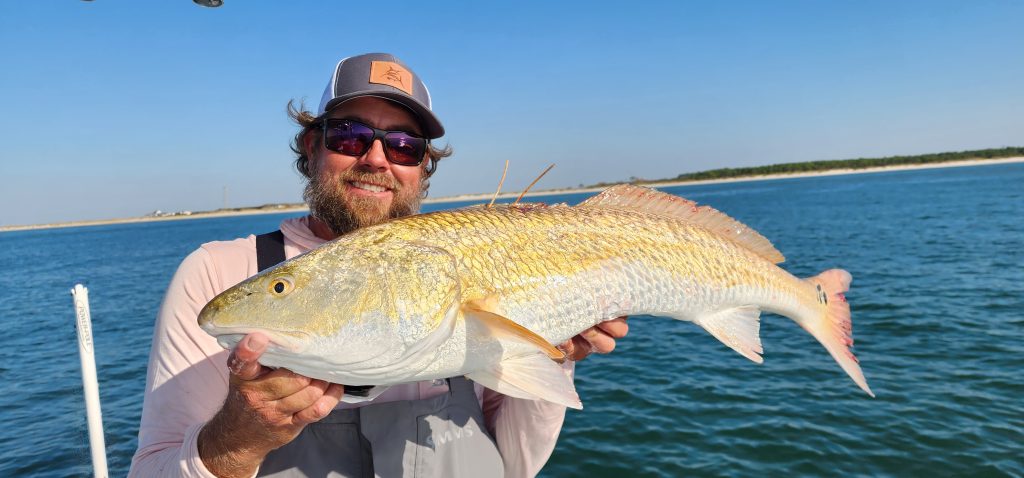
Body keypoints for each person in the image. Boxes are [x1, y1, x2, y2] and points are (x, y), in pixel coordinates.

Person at [129, 53, 629, 478]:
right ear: (312, 145)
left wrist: (556, 356)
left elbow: (516, 462)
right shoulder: (220, 272)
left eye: (405, 146)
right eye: (349, 136)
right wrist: (237, 438)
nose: (376, 158)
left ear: (422, 167)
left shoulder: (474, 258)